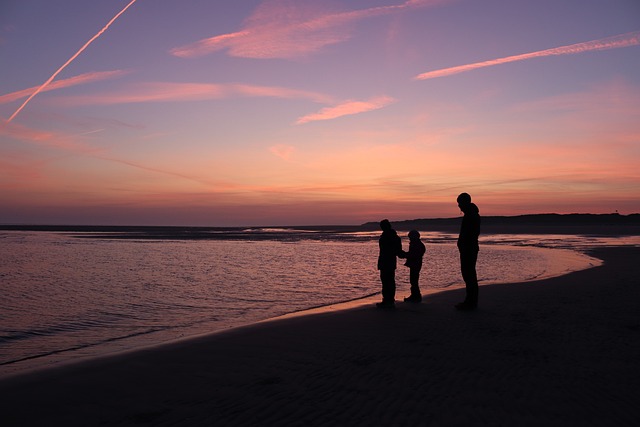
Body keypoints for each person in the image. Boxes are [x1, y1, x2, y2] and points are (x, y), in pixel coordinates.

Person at [455, 192, 481, 311]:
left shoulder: (471, 215)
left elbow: (471, 234)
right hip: (468, 248)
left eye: (460, 203)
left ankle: (471, 302)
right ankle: (470, 301)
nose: (459, 206)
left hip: (469, 249)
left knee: (469, 274)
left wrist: (464, 244)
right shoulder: (470, 214)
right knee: (468, 274)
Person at [377, 219, 402, 308]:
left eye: (382, 226)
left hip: (387, 261)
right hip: (388, 262)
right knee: (389, 281)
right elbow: (399, 252)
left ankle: (388, 300)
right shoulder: (395, 237)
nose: (382, 227)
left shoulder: (389, 237)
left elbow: (398, 251)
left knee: (387, 281)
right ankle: (389, 300)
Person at [398, 230, 426, 303]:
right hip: (416, 263)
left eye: (410, 237)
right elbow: (413, 254)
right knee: (413, 280)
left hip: (415, 264)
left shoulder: (417, 244)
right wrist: (405, 255)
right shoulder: (417, 244)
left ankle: (416, 296)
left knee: (414, 280)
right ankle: (415, 295)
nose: (409, 238)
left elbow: (413, 255)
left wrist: (404, 255)